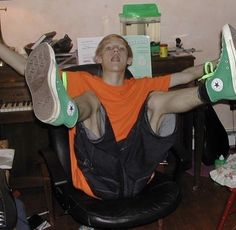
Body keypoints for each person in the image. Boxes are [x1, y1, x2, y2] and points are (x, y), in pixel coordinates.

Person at [2, 24, 236, 200]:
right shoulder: (80, 80)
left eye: (121, 48)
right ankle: (67, 111)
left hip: (137, 174)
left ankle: (216, 89)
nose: (115, 51)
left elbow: (186, 75)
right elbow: (32, 70)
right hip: (97, 176)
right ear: (98, 57)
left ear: (129, 59)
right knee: (91, 100)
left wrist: (221, 62)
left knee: (157, 100)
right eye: (109, 48)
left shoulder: (141, 85)